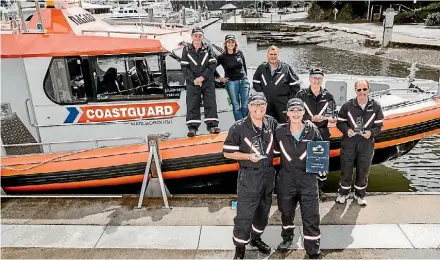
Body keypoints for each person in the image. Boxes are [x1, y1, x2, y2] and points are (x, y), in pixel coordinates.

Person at [222, 92, 278, 259]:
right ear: (249, 107)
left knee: (263, 210)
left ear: (266, 106)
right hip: (249, 176)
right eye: (254, 105)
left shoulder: (272, 123)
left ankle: (256, 238)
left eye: (261, 105)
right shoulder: (238, 127)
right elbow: (227, 153)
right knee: (245, 214)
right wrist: (248, 157)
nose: (258, 108)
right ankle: (240, 247)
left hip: (268, 174)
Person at [274, 98, 323, 259]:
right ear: (287, 113)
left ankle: (313, 250)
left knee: (311, 215)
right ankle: (287, 238)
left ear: (304, 112)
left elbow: (320, 151)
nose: (295, 113)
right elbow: (270, 151)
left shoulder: (312, 130)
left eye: (299, 110)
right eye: (292, 110)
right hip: (286, 179)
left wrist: (321, 170)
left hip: (308, 179)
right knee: (286, 212)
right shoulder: (279, 131)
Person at [335, 80, 384, 206]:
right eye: (359, 90)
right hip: (349, 142)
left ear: (369, 89)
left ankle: (360, 194)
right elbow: (340, 122)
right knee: (346, 168)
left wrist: (371, 133)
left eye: (364, 89)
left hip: (366, 143)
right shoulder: (347, 106)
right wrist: (347, 130)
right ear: (355, 90)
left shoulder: (376, 106)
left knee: (363, 169)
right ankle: (343, 193)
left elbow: (379, 126)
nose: (362, 92)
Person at [295, 68, 337, 200]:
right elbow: (294, 115)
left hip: (322, 133)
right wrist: (310, 118)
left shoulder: (328, 96)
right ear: (310, 78)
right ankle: (302, 191)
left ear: (322, 79)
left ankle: (318, 190)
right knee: (302, 163)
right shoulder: (301, 95)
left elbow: (333, 113)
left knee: (320, 165)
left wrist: (331, 118)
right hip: (305, 133)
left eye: (319, 78)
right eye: (314, 77)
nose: (316, 80)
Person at [180, 27, 220, 137]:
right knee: (192, 103)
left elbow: (212, 65)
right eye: (195, 36)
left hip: (207, 81)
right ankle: (193, 127)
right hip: (192, 82)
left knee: (210, 102)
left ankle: (212, 126)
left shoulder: (208, 48)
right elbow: (184, 67)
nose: (198, 38)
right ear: (192, 37)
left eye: (200, 36)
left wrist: (202, 77)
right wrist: (194, 79)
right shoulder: (186, 50)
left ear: (203, 37)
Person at [253, 45, 301, 123]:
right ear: (267, 55)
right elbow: (255, 82)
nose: (273, 56)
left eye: (275, 54)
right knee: (268, 126)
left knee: (284, 126)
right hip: (267, 104)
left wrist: (288, 100)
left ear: (278, 55)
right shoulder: (262, 68)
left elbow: (296, 85)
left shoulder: (286, 68)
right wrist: (262, 94)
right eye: (271, 54)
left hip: (282, 105)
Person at [217, 34, 250, 121]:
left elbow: (244, 67)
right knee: (236, 105)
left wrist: (246, 78)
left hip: (243, 81)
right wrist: (220, 78)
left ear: (235, 43)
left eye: (232, 42)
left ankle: (245, 125)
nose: (230, 44)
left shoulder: (240, 53)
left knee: (245, 105)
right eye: (228, 42)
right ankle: (240, 127)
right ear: (225, 44)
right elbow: (211, 68)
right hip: (231, 82)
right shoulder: (222, 57)